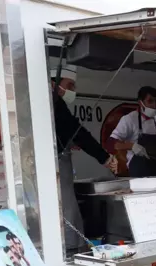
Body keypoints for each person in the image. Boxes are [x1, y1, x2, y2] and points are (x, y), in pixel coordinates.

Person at [50, 64, 117, 253]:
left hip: (52, 161)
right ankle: (73, 248)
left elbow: (67, 131)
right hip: (54, 164)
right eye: (69, 85)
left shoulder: (52, 102)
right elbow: (78, 132)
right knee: (66, 206)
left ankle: (72, 245)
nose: (73, 91)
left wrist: (65, 141)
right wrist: (104, 157)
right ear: (54, 82)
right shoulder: (52, 101)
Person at [106, 86, 156, 177]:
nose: (154, 105)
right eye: (150, 101)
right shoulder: (129, 119)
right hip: (139, 171)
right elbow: (110, 143)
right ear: (140, 102)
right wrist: (131, 146)